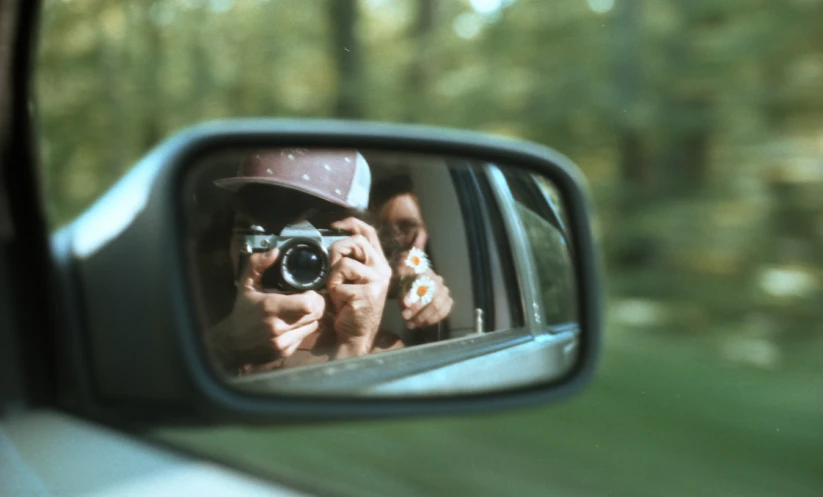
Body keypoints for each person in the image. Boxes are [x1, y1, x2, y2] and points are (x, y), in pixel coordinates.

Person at [202, 149, 405, 376]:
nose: (277, 252)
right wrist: (225, 343)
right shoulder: (187, 321)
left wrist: (354, 344)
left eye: (308, 237)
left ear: (359, 247)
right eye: (252, 230)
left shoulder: (384, 354)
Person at [370, 174, 454, 343]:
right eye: (383, 230)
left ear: (428, 234)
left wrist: (428, 292)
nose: (395, 239)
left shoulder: (423, 289)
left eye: (407, 227)